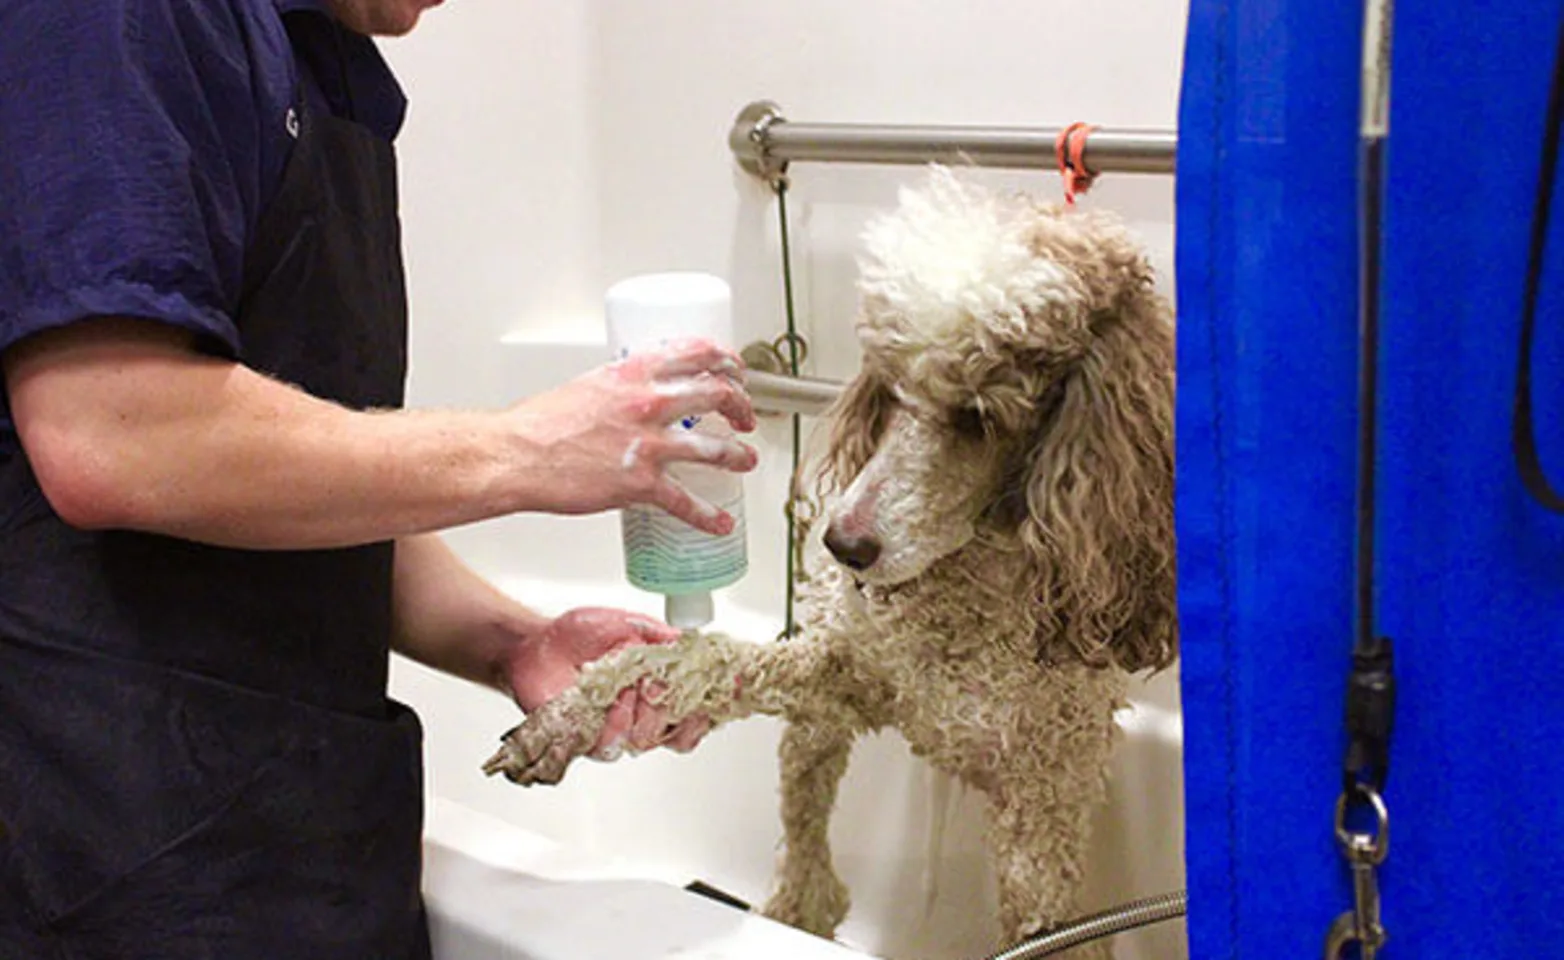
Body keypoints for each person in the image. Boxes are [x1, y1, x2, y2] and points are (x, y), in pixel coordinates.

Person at [0, 1, 757, 957]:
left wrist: (511, 642)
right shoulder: (112, 24)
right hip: (128, 860)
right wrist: (529, 449)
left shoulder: (329, 70)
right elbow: (114, 433)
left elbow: (295, 481)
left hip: (316, 838)